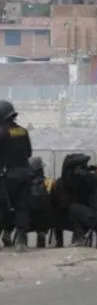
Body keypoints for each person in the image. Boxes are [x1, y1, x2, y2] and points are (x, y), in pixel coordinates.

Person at [0, 100, 32, 252]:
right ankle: (21, 241)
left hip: (6, 176)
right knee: (21, 207)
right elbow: (29, 153)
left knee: (2, 207)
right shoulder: (23, 131)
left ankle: (4, 236)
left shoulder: (1, 132)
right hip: (25, 174)